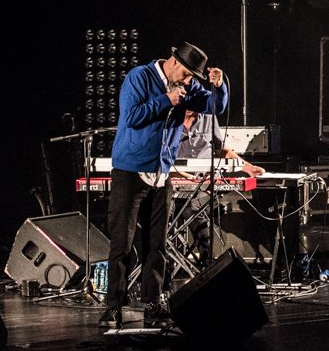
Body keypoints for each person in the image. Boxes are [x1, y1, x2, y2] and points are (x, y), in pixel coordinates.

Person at [98, 42, 229, 331]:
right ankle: (113, 305)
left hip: (161, 172)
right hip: (131, 171)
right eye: (187, 74)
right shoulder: (140, 77)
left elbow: (215, 106)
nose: (189, 81)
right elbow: (131, 117)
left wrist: (218, 86)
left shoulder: (187, 86)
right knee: (122, 243)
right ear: (174, 62)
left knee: (156, 244)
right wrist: (166, 100)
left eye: (193, 77)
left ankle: (153, 301)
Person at [174, 109, 265, 264]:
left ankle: (207, 263)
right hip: (176, 183)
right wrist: (187, 177)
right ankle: (170, 265)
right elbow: (162, 156)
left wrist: (248, 167)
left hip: (206, 185)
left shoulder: (208, 117)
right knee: (181, 208)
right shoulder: (168, 118)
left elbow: (220, 150)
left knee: (193, 207)